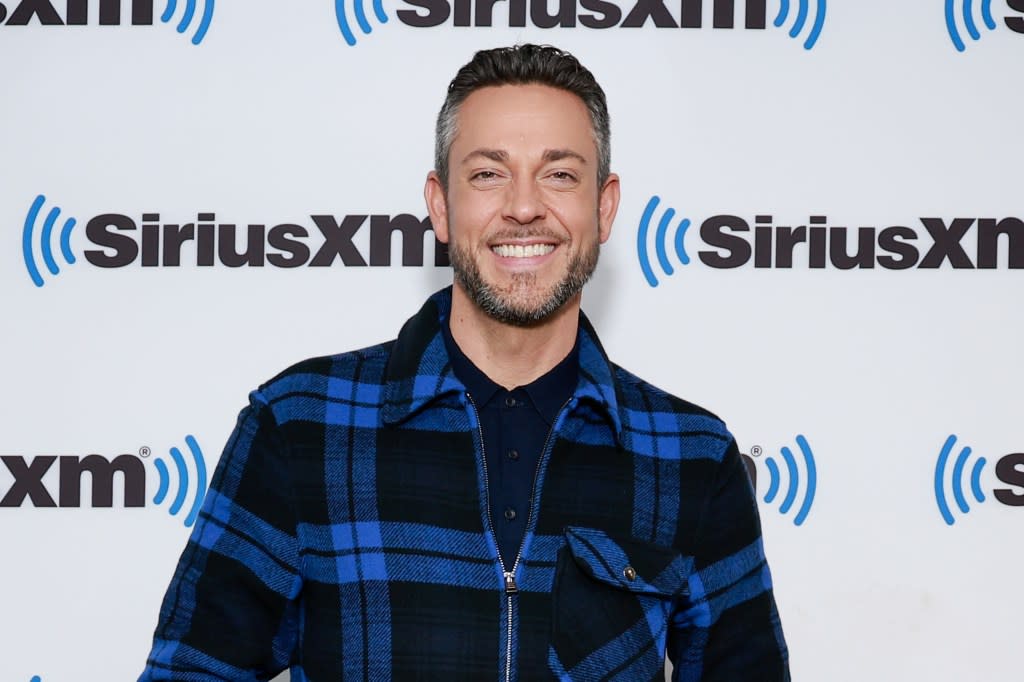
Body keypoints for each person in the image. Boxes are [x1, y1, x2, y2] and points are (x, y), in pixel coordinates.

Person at [140, 44, 789, 681]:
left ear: (605, 206)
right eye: (488, 173)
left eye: (559, 173)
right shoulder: (302, 423)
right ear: (442, 205)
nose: (524, 206)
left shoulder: (691, 457)